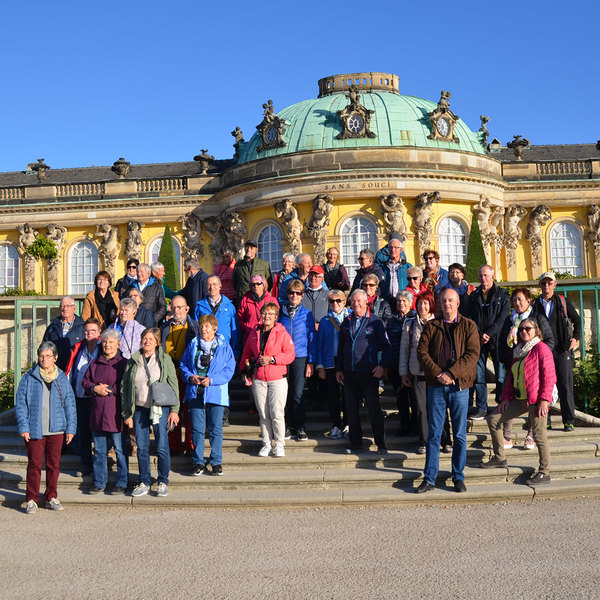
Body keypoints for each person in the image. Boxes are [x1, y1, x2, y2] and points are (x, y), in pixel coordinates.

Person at [415, 288, 480, 493]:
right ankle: (430, 478)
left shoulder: (469, 326)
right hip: (436, 387)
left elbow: (472, 354)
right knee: (434, 434)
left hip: (459, 387)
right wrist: (438, 374)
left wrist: (451, 374)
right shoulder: (431, 326)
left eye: (451, 300)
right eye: (443, 301)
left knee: (459, 434)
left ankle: (458, 476)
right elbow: (422, 353)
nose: (447, 304)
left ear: (458, 303)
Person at [482, 318, 556, 485]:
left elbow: (549, 376)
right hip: (520, 399)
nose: (524, 331)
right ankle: (499, 457)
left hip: (537, 400)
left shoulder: (541, 349)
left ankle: (544, 472)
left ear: (536, 330)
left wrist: (545, 399)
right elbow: (511, 378)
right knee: (493, 419)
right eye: (521, 329)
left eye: (528, 328)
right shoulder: (519, 351)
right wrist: (505, 398)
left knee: (539, 435)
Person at [16, 341, 76, 514]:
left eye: (48, 356)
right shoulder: (29, 377)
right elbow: (21, 404)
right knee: (34, 464)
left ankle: (51, 496)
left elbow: (70, 404)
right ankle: (31, 499)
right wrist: (23, 426)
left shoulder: (62, 378)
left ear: (55, 358)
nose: (44, 359)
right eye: (41, 356)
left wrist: (71, 428)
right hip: (35, 428)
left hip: (56, 429)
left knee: (53, 464)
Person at [122, 327, 179, 497]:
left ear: (157, 342)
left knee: (162, 446)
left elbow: (173, 383)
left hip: (160, 408)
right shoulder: (133, 361)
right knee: (142, 448)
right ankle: (144, 480)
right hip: (139, 408)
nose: (146, 341)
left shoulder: (164, 359)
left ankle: (163, 480)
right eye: (144, 338)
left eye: (150, 339)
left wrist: (175, 410)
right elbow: (125, 387)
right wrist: (127, 413)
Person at [336, 289, 392, 454]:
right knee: (351, 410)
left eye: (359, 301)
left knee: (374, 409)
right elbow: (341, 348)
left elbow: (387, 347)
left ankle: (381, 444)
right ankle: (356, 444)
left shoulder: (375, 322)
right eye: (353, 301)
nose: (356, 304)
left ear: (366, 302)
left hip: (369, 372)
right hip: (349, 373)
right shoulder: (346, 321)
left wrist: (382, 365)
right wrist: (339, 368)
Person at [498, 287, 554, 449]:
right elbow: (502, 343)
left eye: (520, 299)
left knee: (531, 399)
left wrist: (536, 356)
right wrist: (507, 359)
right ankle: (507, 435)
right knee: (509, 397)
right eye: (514, 300)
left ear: (528, 301)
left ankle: (531, 435)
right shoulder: (510, 320)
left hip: (533, 367)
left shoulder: (537, 318)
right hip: (514, 365)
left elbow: (549, 340)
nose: (517, 303)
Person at [180, 314, 236, 476]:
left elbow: (229, 370)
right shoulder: (193, 344)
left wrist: (212, 380)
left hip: (215, 391)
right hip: (195, 390)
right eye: (201, 326)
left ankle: (216, 461)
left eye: (207, 327)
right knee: (197, 429)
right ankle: (198, 461)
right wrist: (190, 376)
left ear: (215, 329)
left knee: (215, 428)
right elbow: (184, 364)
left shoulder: (224, 346)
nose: (203, 329)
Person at [240, 302, 295, 457]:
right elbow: (246, 354)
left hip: (277, 377)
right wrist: (244, 369)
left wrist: (272, 359)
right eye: (264, 313)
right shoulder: (254, 332)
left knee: (277, 412)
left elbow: (290, 354)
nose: (267, 317)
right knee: (263, 413)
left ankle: (279, 443)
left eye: (271, 314)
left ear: (276, 317)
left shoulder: (282, 333)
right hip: (259, 378)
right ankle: (266, 443)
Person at [399, 290, 451, 454]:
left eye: (426, 303)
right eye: (420, 303)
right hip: (417, 373)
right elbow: (404, 350)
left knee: (439, 407)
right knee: (421, 409)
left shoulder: (438, 323)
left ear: (431, 305)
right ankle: (424, 441)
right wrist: (403, 372)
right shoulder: (410, 324)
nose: (422, 306)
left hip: (436, 373)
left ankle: (445, 440)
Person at [532, 272, 582, 432]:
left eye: (549, 283)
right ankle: (545, 418)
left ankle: (568, 420)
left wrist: (575, 338)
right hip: (542, 350)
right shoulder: (535, 305)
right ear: (540, 286)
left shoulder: (562, 301)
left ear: (555, 285)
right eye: (543, 283)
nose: (546, 286)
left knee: (565, 384)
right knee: (543, 385)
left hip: (561, 349)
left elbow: (577, 320)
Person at [82, 329, 128, 495]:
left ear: (118, 344)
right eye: (105, 342)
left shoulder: (123, 363)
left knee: (120, 450)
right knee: (100, 451)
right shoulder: (95, 363)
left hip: (115, 413)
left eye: (111, 342)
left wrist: (108, 389)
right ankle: (99, 482)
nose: (108, 345)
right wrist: (95, 388)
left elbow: (126, 386)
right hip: (97, 413)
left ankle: (122, 482)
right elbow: (85, 382)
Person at [465, 265, 511, 420]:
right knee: (479, 375)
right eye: (480, 276)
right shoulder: (474, 295)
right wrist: (479, 334)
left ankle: (501, 405)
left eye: (485, 275)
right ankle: (482, 408)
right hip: (479, 341)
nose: (482, 278)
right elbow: (470, 317)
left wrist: (489, 333)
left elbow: (503, 318)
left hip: (497, 341)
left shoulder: (502, 295)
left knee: (500, 375)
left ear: (492, 276)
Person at [279, 279, 317, 441]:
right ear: (287, 294)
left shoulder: (307, 314)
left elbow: (312, 338)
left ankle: (300, 427)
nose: (294, 296)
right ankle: (287, 426)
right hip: (282, 357)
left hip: (300, 356)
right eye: (291, 293)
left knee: (298, 393)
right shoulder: (280, 312)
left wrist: (311, 362)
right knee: (284, 393)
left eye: (298, 293)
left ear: (302, 296)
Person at [161, 295, 198, 456]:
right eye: (174, 307)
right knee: (172, 412)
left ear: (186, 309)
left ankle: (190, 445)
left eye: (179, 307)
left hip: (188, 378)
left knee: (189, 414)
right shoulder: (164, 328)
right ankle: (174, 445)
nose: (176, 310)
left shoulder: (194, 327)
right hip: (170, 378)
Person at [66, 318, 102, 476]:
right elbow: (71, 370)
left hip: (98, 397)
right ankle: (85, 463)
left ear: (99, 332)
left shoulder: (104, 347)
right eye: (87, 331)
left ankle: (100, 466)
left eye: (93, 330)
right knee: (84, 432)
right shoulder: (78, 348)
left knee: (99, 433)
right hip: (80, 396)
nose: (89, 334)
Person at [316, 289, 350, 439]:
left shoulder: (350, 317)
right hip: (330, 361)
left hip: (347, 362)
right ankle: (336, 425)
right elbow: (319, 343)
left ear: (344, 302)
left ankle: (348, 424)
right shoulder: (324, 321)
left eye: (338, 301)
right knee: (333, 396)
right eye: (332, 301)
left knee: (348, 395)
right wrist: (320, 365)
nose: (335, 304)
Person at [386, 290, 416, 436]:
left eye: (404, 301)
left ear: (410, 303)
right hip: (396, 363)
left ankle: (417, 426)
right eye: (399, 301)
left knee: (415, 398)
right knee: (401, 398)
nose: (401, 303)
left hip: (414, 364)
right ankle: (405, 426)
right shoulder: (391, 320)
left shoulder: (415, 318)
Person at [42, 296, 85, 371]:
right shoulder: (52, 327)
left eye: (68, 306)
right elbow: (44, 348)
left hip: (75, 368)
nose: (65, 309)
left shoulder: (82, 327)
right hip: (55, 369)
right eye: (62, 306)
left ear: (74, 308)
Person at [237, 274, 278, 347]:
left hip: (268, 338)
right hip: (249, 337)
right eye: (253, 284)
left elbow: (277, 318)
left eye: (258, 283)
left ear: (264, 285)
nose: (256, 286)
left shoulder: (272, 300)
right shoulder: (245, 300)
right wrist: (247, 328)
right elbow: (239, 318)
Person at [380, 236, 412, 307]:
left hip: (402, 301)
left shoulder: (407, 266)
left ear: (400, 250)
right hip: (387, 300)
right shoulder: (383, 266)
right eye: (391, 247)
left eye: (396, 247)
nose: (393, 250)